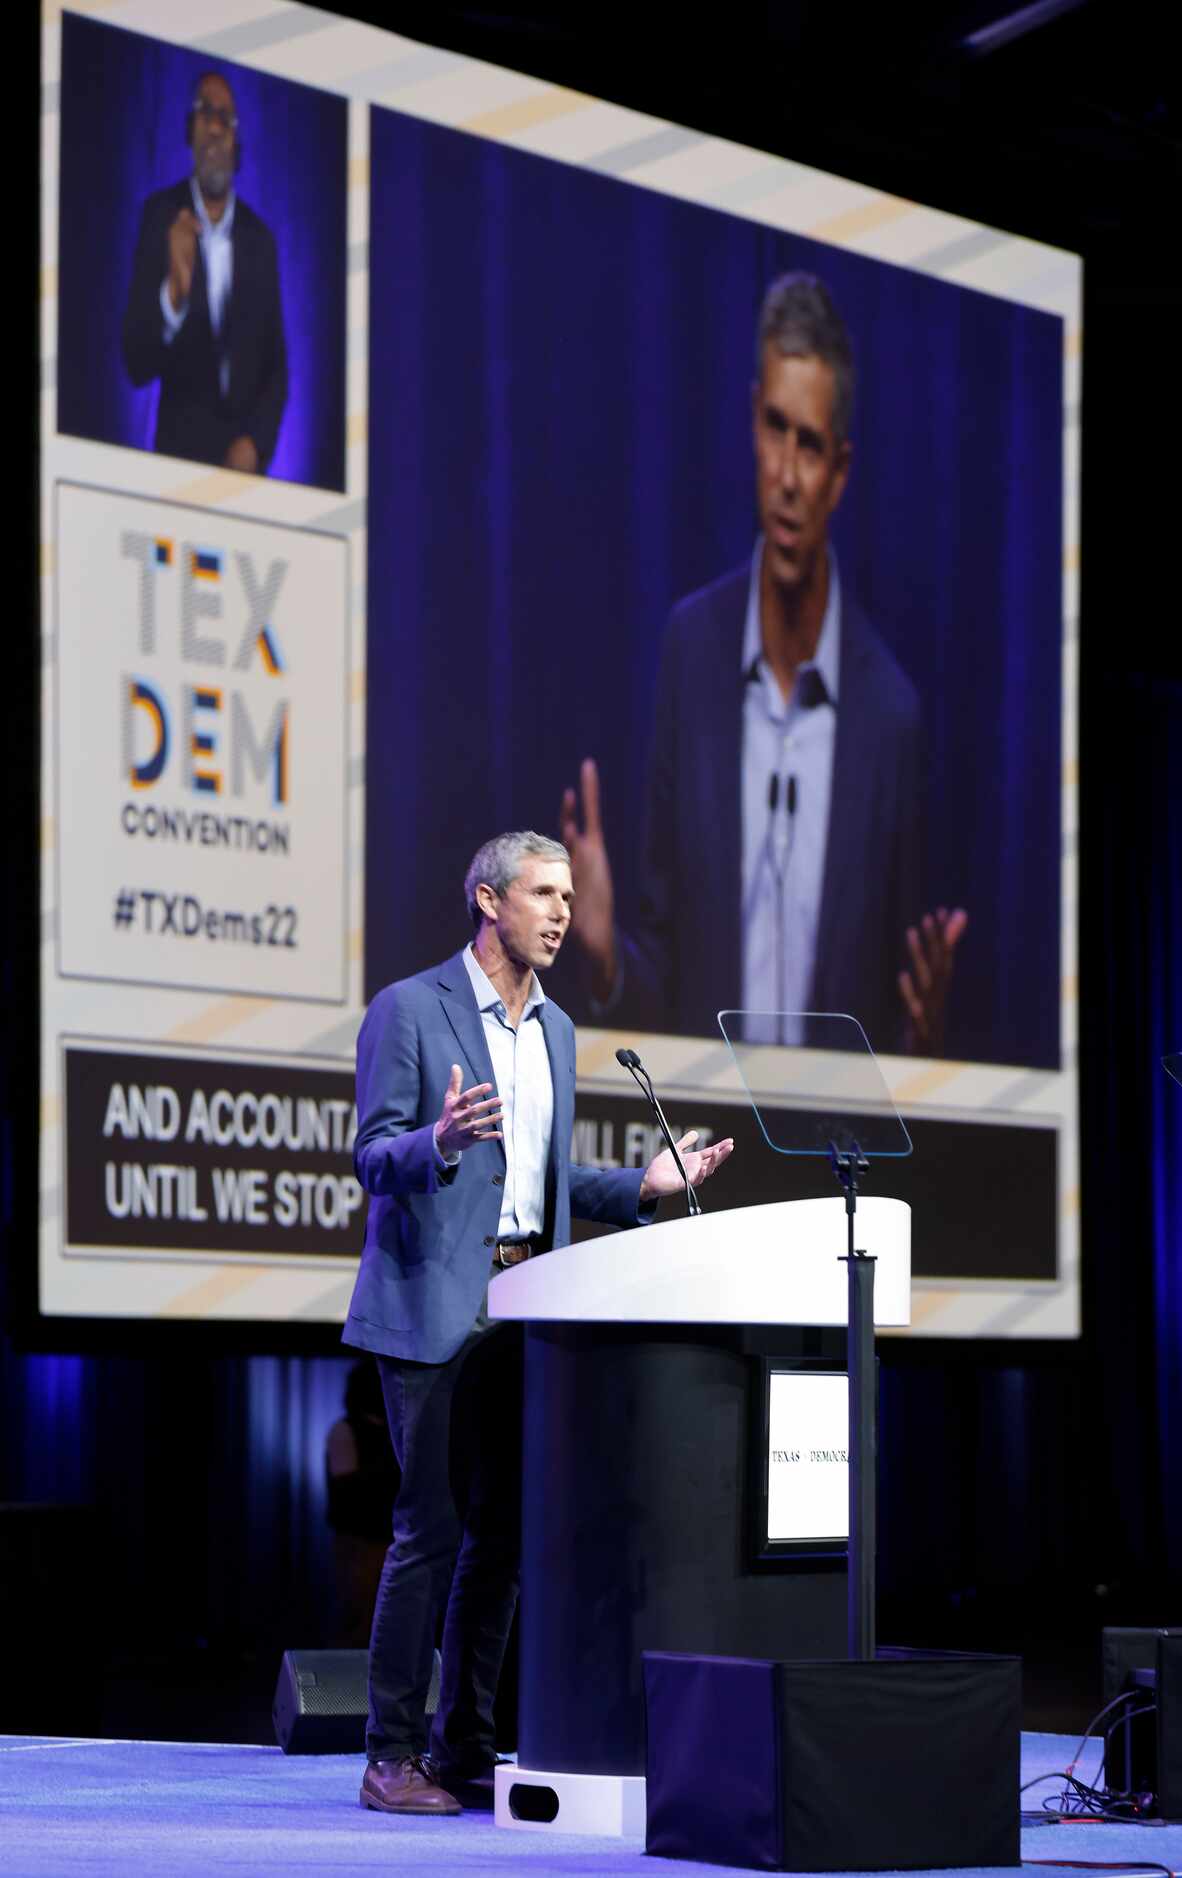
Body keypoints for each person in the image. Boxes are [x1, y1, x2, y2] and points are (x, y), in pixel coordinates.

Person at [342, 831, 733, 1818]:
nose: (563, 912)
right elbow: (371, 1156)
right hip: (434, 1308)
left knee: (504, 1543)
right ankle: (389, 1755)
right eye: (543, 894)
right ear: (488, 900)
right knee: (427, 1536)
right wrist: (434, 1138)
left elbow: (544, 1182)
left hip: (526, 1308)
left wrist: (640, 1188)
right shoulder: (410, 1010)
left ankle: (463, 1745)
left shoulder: (555, 1029)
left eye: (568, 895)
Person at [561, 272, 967, 1056]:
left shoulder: (890, 717)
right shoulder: (693, 652)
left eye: (809, 445)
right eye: (774, 429)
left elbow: (892, 1027)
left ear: (840, 471)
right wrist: (609, 955)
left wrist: (922, 1036)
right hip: (705, 1153)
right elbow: (663, 983)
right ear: (751, 421)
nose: (786, 475)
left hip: (829, 1157)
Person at [121, 71, 287, 474]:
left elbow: (276, 369)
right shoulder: (160, 216)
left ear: (237, 143)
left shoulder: (261, 241)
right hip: (178, 469)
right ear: (188, 132)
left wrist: (253, 445)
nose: (215, 127)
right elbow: (135, 363)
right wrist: (173, 297)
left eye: (226, 118)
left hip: (245, 480)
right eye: (205, 113)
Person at [325, 1359, 402, 1649]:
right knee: (360, 1618)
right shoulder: (345, 1430)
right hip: (359, 1541)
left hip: (393, 1539)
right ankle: (349, 1688)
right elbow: (348, 1487)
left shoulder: (399, 1430)